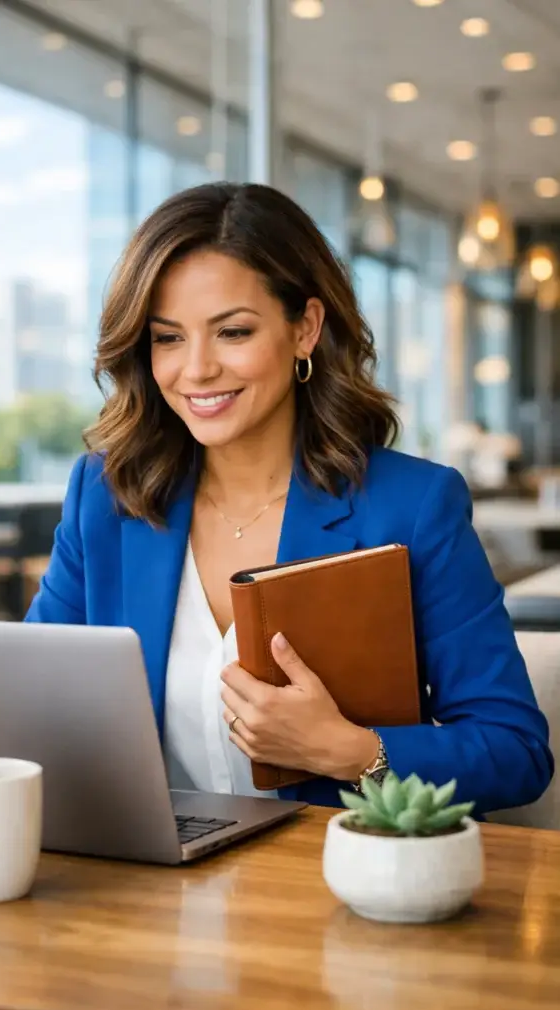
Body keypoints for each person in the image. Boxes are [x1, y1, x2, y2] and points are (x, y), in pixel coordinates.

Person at [27, 182, 553, 814]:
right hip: (148, 886)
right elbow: (36, 702)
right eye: (167, 338)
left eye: (233, 332)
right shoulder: (106, 498)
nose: (195, 370)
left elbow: (515, 751)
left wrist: (349, 751)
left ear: (304, 328)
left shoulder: (413, 506)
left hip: (332, 888)